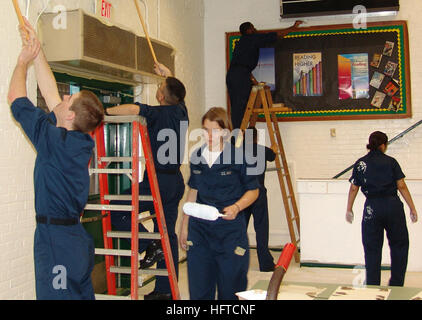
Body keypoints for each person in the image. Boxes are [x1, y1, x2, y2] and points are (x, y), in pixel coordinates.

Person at [8, 19, 104, 299]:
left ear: (70, 115)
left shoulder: (55, 142)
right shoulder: (79, 140)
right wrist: (37, 51)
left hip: (56, 243)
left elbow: (16, 98)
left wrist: (22, 62)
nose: (63, 96)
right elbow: (50, 94)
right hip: (75, 240)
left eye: (69, 99)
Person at [105, 63, 188, 300]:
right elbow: (177, 92)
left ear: (161, 95)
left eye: (160, 86)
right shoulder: (182, 111)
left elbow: (133, 107)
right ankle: (165, 290)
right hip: (175, 182)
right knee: (167, 234)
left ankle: (147, 244)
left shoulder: (157, 112)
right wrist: (168, 75)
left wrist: (105, 112)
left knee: (118, 210)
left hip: (158, 181)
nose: (158, 88)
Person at [179, 107, 259, 300]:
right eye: (205, 130)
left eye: (214, 130)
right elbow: (193, 192)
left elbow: (253, 190)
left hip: (229, 230)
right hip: (200, 231)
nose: (209, 135)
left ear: (225, 132)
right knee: (199, 289)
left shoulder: (240, 157)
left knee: (230, 289)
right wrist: (184, 226)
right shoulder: (197, 156)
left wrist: (237, 206)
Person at [346, 131, 418, 287]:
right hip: (393, 207)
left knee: (372, 248)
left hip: (372, 208)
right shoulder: (391, 162)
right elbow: (401, 186)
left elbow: (353, 188)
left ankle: (373, 285)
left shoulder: (360, 163)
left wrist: (349, 209)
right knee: (399, 245)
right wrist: (412, 208)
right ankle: (396, 284)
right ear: (383, 145)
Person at [226, 20, 303, 129]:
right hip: (240, 76)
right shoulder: (252, 38)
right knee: (241, 105)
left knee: (238, 106)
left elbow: (243, 68)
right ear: (249, 30)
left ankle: (238, 133)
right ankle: (238, 136)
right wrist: (293, 27)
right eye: (253, 28)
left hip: (233, 75)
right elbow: (277, 35)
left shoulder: (241, 43)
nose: (255, 29)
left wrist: (254, 82)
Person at [243, 126, 276, 272]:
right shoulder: (263, 150)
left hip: (243, 195)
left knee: (240, 229)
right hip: (259, 193)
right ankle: (265, 263)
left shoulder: (238, 151)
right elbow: (273, 155)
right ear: (256, 138)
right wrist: (274, 147)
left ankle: (237, 260)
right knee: (261, 229)